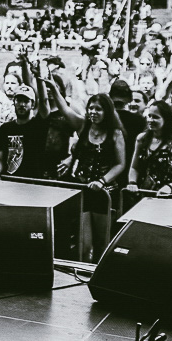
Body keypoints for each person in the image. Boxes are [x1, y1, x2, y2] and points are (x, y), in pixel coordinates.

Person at [65, 92, 127, 259]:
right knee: (84, 246)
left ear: (107, 111)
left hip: (104, 193)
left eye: (98, 109)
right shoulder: (84, 127)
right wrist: (50, 85)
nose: (93, 112)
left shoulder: (115, 133)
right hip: (84, 191)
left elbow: (120, 164)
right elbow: (65, 110)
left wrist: (102, 181)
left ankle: (98, 272)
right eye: (91, 108)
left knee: (101, 243)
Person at [127, 100, 172, 195]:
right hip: (142, 193)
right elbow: (134, 167)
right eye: (149, 116)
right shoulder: (142, 139)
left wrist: (170, 187)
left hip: (165, 195)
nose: (150, 120)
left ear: (166, 120)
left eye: (155, 117)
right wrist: (132, 182)